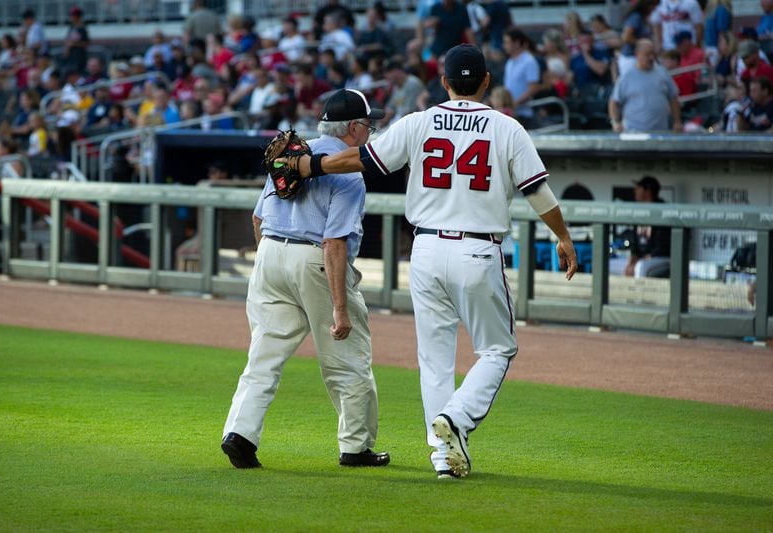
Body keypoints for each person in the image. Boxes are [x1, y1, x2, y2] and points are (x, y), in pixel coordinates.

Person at [282, 45, 578, 479]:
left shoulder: (419, 121)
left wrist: (307, 165)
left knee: (435, 359)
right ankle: (456, 421)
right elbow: (537, 192)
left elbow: (362, 160)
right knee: (497, 348)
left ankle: (443, 456)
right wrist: (563, 236)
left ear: (444, 83)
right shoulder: (506, 127)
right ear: (485, 82)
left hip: (424, 250)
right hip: (477, 249)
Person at [221, 89, 390, 470]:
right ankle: (356, 446)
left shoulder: (290, 155)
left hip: (270, 254)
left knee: (263, 356)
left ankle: (239, 434)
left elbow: (258, 218)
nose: (370, 130)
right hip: (315, 260)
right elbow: (334, 243)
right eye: (367, 123)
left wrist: (271, 258)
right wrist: (340, 309)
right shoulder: (347, 172)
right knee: (347, 359)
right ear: (352, 128)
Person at [609, 39, 682, 132]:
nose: (651, 58)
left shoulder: (663, 73)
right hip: (633, 132)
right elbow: (614, 102)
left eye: (653, 54)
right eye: (647, 55)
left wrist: (677, 121)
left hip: (660, 132)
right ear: (637, 54)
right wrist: (615, 122)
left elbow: (673, 98)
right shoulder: (627, 76)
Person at [624, 176, 672, 278]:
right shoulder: (638, 211)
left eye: (638, 188)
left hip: (661, 258)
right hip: (643, 258)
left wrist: (639, 261)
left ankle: (638, 294)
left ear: (648, 191)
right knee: (611, 264)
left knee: (640, 267)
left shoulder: (663, 211)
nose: (635, 191)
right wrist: (632, 260)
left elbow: (662, 247)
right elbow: (634, 244)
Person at [63, 6, 89, 74]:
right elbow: (68, 40)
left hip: (79, 57)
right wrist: (67, 48)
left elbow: (86, 43)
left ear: (78, 16)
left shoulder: (82, 28)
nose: (71, 17)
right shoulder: (72, 27)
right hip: (71, 57)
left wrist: (74, 44)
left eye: (73, 15)